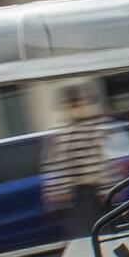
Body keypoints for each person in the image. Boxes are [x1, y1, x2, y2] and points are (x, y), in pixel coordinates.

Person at [39, 85, 118, 239]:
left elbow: (58, 166)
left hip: (86, 193)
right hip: (84, 193)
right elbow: (101, 160)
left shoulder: (65, 130)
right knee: (94, 234)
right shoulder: (85, 128)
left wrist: (58, 193)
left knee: (90, 235)